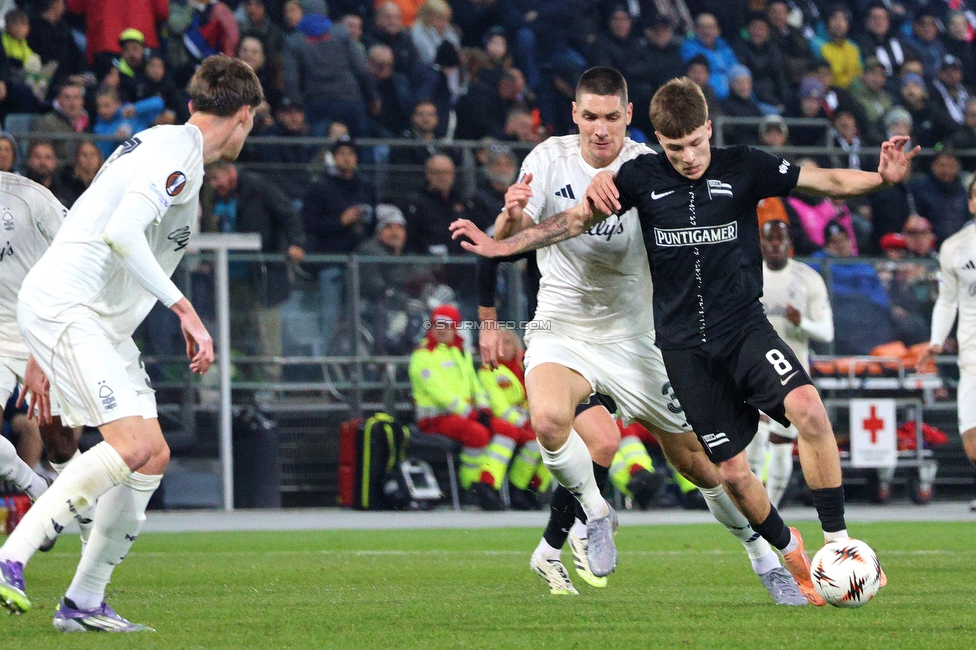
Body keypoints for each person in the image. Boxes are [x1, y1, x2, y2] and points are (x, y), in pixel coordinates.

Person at [456, 76, 909, 605]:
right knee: (696, 461)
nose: (689, 157)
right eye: (676, 148)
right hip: (630, 336)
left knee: (761, 435)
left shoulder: (713, 165)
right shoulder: (616, 172)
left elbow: (824, 180)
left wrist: (880, 179)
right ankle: (616, 519)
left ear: (705, 128)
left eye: (695, 143)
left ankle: (813, 547)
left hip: (695, 330)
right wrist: (500, 247)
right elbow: (570, 221)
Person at [0, 54, 262, 630]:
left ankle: (84, 603)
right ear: (244, 115)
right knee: (126, 444)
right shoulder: (178, 157)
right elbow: (121, 233)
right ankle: (12, 556)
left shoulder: (167, 145)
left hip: (93, 318)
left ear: (194, 103)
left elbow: (93, 224)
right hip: (70, 307)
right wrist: (186, 311)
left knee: (152, 452)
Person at [745, 221, 833, 508]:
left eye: (779, 238)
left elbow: (827, 332)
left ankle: (770, 509)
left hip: (793, 373)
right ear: (760, 243)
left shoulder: (807, 279)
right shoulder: (747, 274)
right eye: (768, 239)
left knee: (781, 444)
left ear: (789, 243)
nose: (774, 244)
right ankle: (754, 509)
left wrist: (802, 322)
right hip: (753, 369)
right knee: (756, 433)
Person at [0, 173, 75, 508]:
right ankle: (35, 486)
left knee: (59, 442)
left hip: (37, 331)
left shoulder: (30, 197)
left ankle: (86, 515)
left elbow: (78, 247)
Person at [922, 179, 976, 510]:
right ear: (970, 203)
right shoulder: (954, 247)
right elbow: (947, 300)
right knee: (972, 444)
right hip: (972, 356)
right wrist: (936, 341)